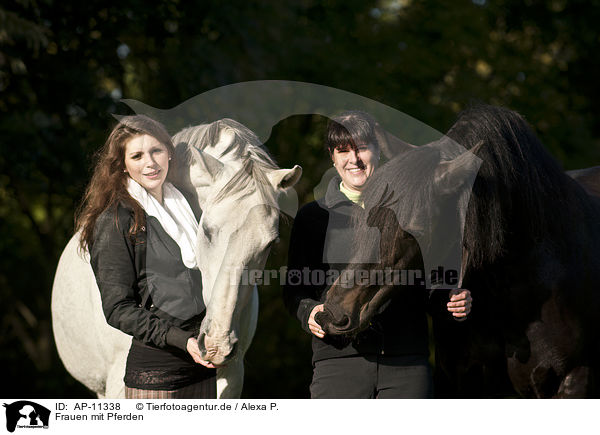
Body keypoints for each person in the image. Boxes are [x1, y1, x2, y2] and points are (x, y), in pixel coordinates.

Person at [283, 111, 472, 398]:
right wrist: (309, 311)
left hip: (406, 364)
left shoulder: (412, 210)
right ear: (332, 158)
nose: (353, 159)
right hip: (338, 363)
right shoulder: (313, 217)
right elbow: (295, 289)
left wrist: (451, 300)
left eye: (361, 148)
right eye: (342, 151)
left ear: (379, 151)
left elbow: (431, 281)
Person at [76, 115, 216, 398]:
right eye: (137, 156)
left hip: (206, 370)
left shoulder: (191, 208)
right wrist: (184, 340)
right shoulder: (115, 219)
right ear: (123, 166)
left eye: (156, 151)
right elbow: (117, 309)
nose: (150, 163)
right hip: (157, 378)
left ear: (169, 154)